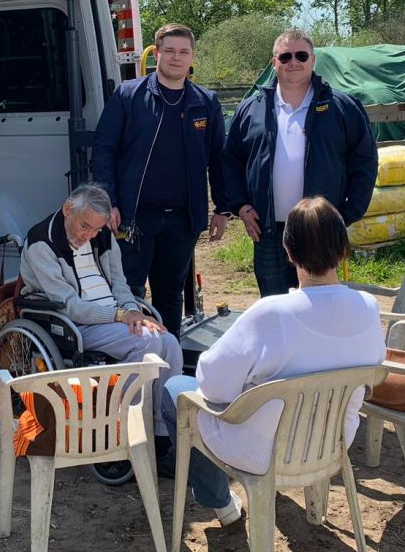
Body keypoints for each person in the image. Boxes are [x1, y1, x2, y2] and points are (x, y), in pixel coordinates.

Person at [161, 196, 385, 525]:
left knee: (175, 388)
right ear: (342, 248)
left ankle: (221, 503)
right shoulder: (368, 306)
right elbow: (373, 371)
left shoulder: (271, 313)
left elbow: (212, 385)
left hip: (262, 450)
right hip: (332, 442)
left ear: (289, 252)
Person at [91, 23, 231, 336]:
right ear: (157, 54)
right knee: (130, 294)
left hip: (183, 220)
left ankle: (169, 361)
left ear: (192, 56)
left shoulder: (205, 103)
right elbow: (104, 149)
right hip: (134, 218)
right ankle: (133, 363)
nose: (176, 58)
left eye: (183, 52)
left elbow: (219, 159)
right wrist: (108, 201)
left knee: (170, 294)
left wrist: (223, 207)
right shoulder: (129, 95)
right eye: (169, 51)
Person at [20, 183, 183, 440]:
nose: (90, 235)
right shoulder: (41, 242)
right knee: (148, 343)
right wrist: (120, 316)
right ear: (67, 209)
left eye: (96, 229)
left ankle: (163, 432)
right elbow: (69, 305)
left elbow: (120, 284)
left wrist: (131, 310)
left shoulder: (102, 236)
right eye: (85, 226)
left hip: (112, 315)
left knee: (170, 342)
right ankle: (124, 429)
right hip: (75, 322)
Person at [222, 28, 378, 297]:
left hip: (319, 228)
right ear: (274, 62)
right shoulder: (251, 109)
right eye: (285, 57)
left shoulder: (341, 107)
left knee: (320, 304)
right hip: (268, 229)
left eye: (301, 55)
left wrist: (347, 213)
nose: (293, 62)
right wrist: (241, 205)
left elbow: (364, 162)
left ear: (313, 60)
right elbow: (230, 160)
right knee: (274, 304)